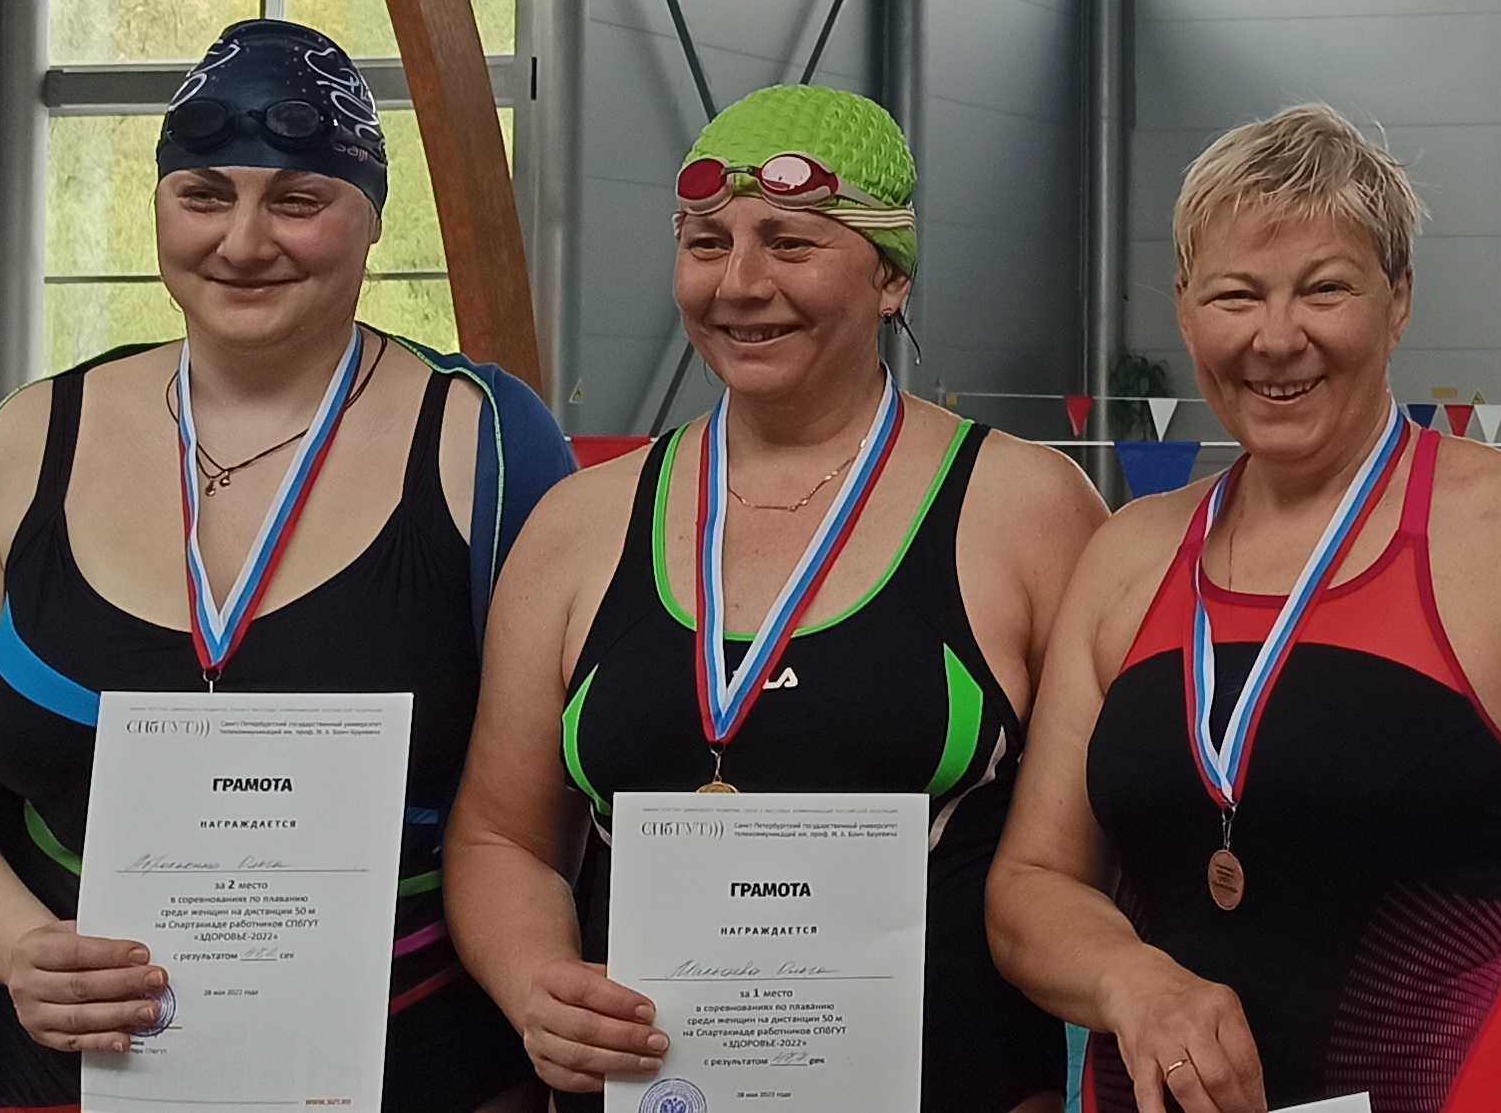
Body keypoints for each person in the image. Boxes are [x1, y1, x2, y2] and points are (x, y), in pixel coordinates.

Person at [0, 20, 576, 1112]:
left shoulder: (485, 444)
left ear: (371, 216)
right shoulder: (33, 439)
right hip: (59, 1079)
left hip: (418, 1077)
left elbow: (553, 810)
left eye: (298, 200)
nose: (243, 241)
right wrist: (22, 946)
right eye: (204, 195)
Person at [991, 104, 1501, 1113]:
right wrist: (1131, 981)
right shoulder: (1129, 554)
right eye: (1235, 295)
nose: (1276, 338)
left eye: (1324, 289)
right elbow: (1032, 884)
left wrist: (1440, 959)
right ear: (1186, 311)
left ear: (1398, 298)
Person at [445, 84, 1109, 1109]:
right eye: (706, 243)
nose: (740, 283)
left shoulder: (1028, 510)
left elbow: (1105, 850)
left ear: (891, 276)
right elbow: (503, 838)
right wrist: (536, 979)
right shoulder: (579, 525)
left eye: (791, 243)